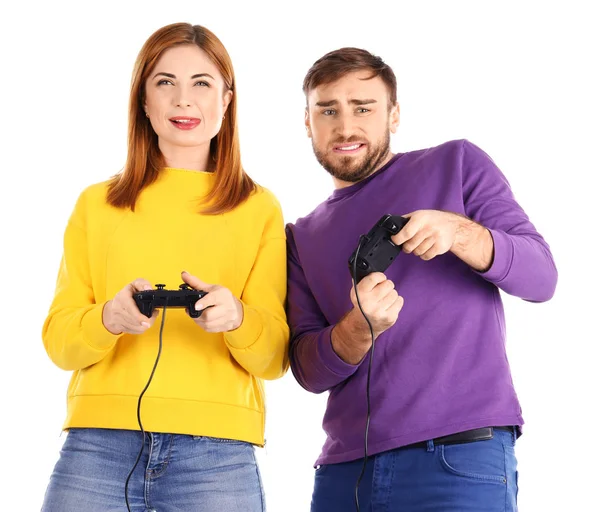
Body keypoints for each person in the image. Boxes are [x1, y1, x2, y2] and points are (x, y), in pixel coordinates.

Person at [286, 47, 558, 511]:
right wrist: (356, 330)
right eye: (327, 110)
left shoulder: (457, 164)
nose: (345, 126)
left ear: (393, 115)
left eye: (363, 108)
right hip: (344, 472)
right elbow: (308, 371)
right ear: (306, 121)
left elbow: (541, 278)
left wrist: (460, 233)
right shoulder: (301, 235)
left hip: (458, 458)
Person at [41, 22, 289, 512]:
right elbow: (58, 341)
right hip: (99, 444)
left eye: (202, 83)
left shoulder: (259, 207)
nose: (183, 100)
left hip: (218, 450)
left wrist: (237, 318)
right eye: (164, 82)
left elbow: (275, 356)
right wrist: (107, 319)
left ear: (226, 99)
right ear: (144, 101)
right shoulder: (97, 204)